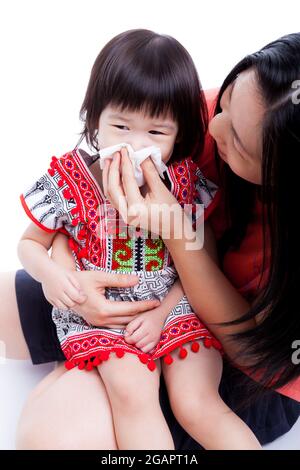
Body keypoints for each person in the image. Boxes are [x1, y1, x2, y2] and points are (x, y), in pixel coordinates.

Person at [1, 32, 299, 450]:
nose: (213, 128)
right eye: (225, 102)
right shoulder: (88, 172)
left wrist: (163, 303)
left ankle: (80, 381)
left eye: (237, 143)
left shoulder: (183, 184)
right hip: (108, 305)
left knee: (178, 405)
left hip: (212, 338)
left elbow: (200, 254)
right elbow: (36, 241)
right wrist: (64, 278)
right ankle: (77, 367)